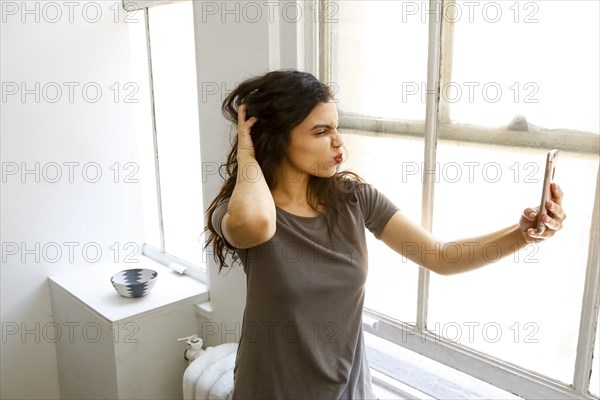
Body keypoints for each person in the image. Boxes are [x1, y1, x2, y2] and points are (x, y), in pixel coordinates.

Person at [204, 70, 565, 399]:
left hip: (349, 390)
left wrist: (523, 234)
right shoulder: (240, 211)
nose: (338, 142)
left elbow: (440, 257)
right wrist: (249, 151)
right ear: (277, 138)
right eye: (321, 131)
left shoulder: (355, 199)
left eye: (336, 127)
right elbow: (257, 225)